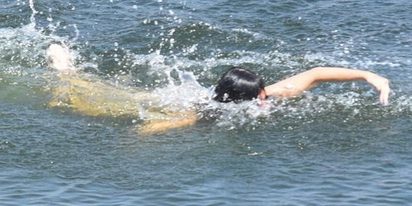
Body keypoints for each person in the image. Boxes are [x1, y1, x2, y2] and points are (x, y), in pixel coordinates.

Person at [44, 43, 390, 133]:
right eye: (259, 96)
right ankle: (65, 72)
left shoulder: (272, 93)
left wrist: (367, 75)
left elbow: (315, 73)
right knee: (86, 102)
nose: (266, 97)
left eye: (264, 92)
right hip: (179, 105)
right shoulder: (205, 116)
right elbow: (154, 126)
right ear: (241, 100)